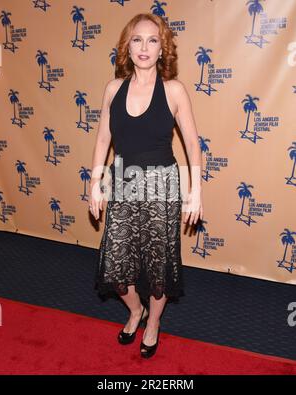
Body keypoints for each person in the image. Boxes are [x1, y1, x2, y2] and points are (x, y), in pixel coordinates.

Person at [89, 13, 203, 359]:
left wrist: (196, 191)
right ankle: (134, 311)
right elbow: (104, 137)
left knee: (158, 266)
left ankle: (152, 322)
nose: (144, 47)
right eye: (137, 39)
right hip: (122, 183)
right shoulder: (113, 88)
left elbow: (193, 145)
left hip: (161, 186)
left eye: (152, 40)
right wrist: (94, 182)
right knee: (115, 266)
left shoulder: (173, 90)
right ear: (127, 46)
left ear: (162, 49)